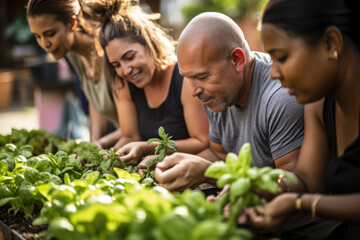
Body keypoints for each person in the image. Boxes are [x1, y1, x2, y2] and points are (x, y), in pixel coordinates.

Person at [154, 12, 304, 191]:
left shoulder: (280, 98)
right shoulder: (217, 93)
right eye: (187, 77)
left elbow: (293, 184)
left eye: (201, 76)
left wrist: (208, 173)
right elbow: (219, 155)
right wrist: (168, 165)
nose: (194, 91)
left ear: (237, 60)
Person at [247, 0, 360, 238]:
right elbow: (309, 179)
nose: (272, 72)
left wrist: (300, 203)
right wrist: (265, 188)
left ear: (331, 42)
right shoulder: (318, 105)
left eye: (282, 57)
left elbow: (307, 197)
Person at [78, 0, 209, 164]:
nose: (126, 70)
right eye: (116, 64)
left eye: (130, 57)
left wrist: (148, 148)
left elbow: (201, 141)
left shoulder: (183, 79)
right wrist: (107, 158)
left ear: (150, 44)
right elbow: (129, 136)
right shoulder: (123, 82)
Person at [26, 0, 121, 148]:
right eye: (37, 36)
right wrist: (94, 146)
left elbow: (138, 126)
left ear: (72, 23)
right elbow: (96, 103)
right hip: (115, 142)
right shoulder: (71, 54)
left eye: (50, 34)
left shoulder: (110, 52)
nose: (45, 44)